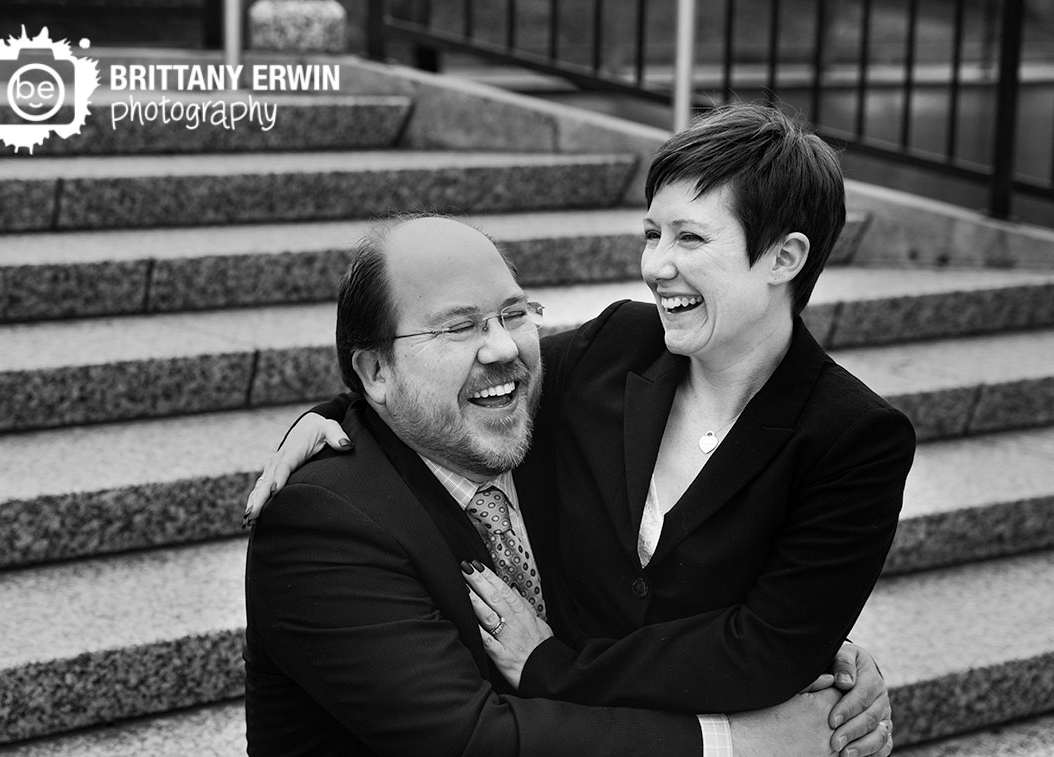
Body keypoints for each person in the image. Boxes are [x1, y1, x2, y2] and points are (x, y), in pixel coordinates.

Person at [244, 214, 891, 756]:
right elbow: (472, 739)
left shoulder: (536, 426)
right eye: (459, 325)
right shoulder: (320, 524)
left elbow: (661, 590)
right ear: (373, 370)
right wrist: (737, 742)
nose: (501, 348)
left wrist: (806, 648)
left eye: (513, 313)